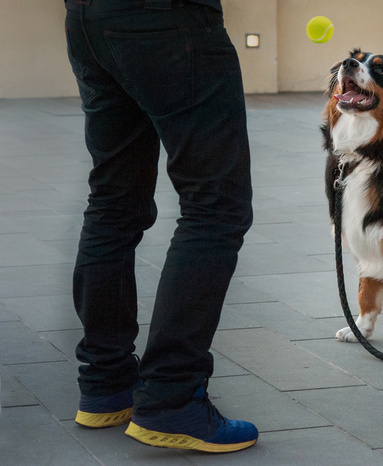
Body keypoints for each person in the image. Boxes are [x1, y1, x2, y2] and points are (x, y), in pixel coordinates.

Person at [64, 0, 258, 453]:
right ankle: (172, 398)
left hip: (89, 20)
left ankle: (106, 383)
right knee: (215, 206)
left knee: (113, 201)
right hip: (170, 21)